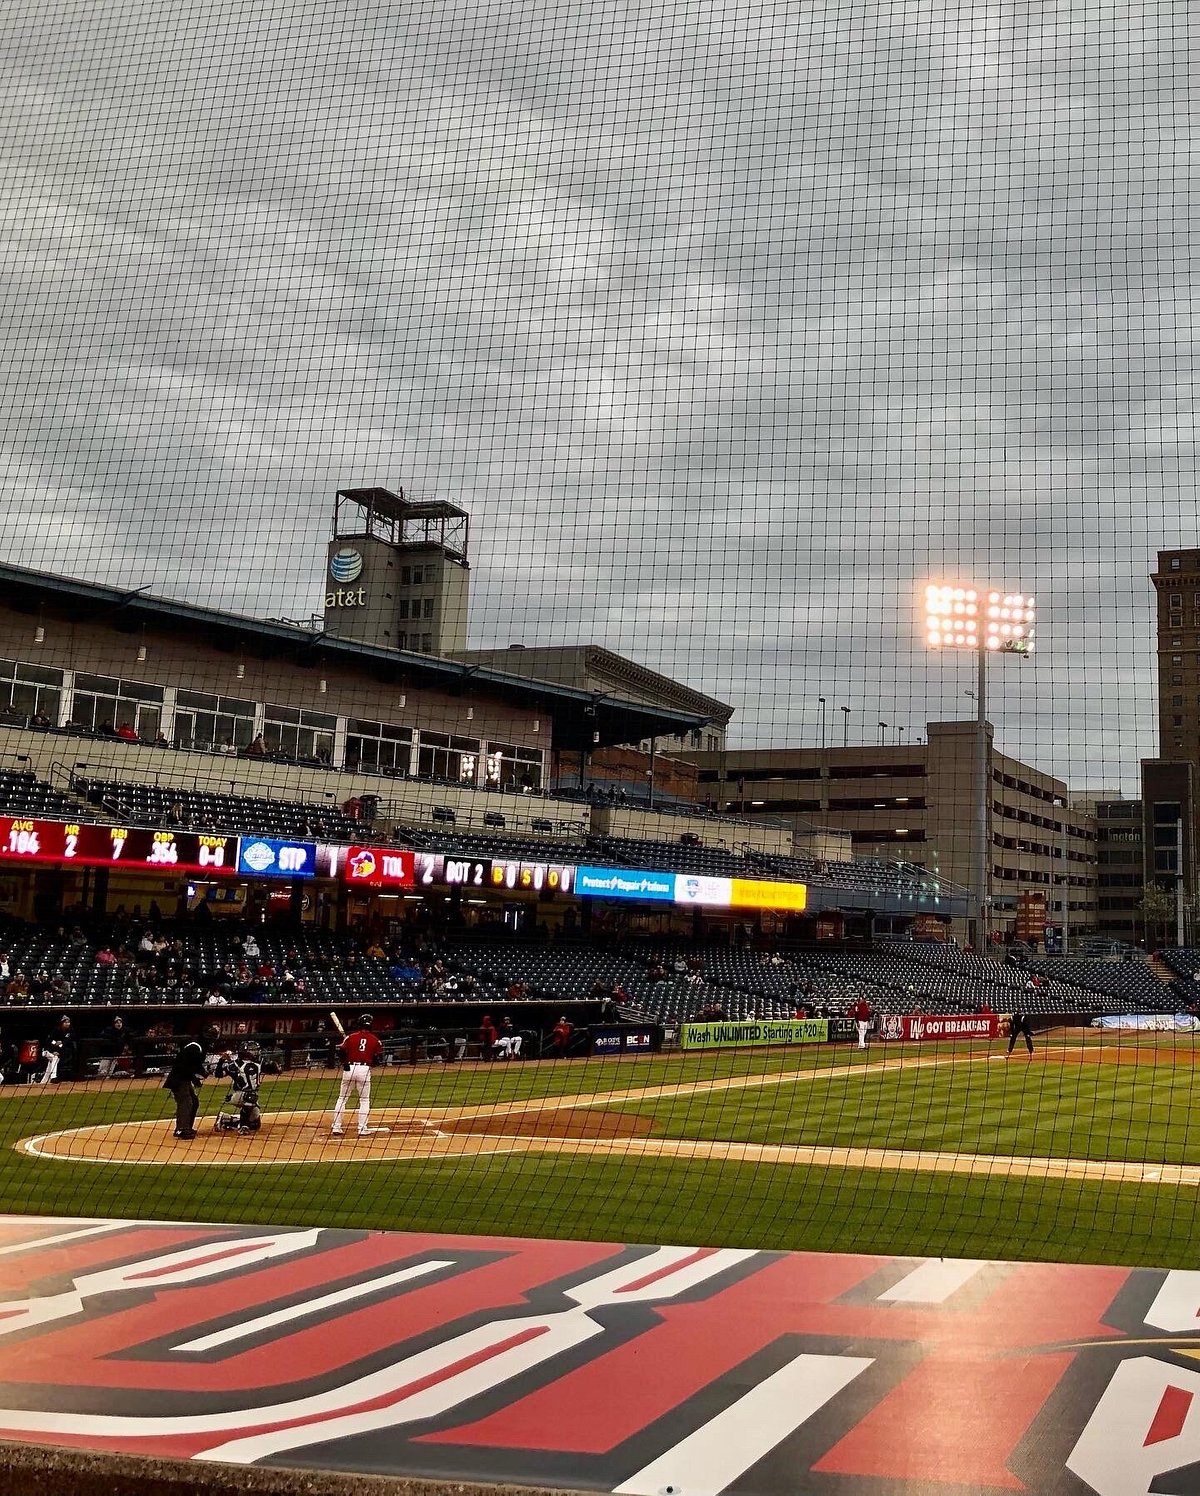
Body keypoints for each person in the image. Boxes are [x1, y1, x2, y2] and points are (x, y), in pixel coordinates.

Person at [331, 1014, 386, 1137]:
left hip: (348, 1069)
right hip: (364, 1070)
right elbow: (378, 1059)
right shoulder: (375, 1040)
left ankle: (336, 1127)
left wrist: (344, 1063)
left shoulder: (350, 1037)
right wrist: (370, 1064)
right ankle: (362, 1129)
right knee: (364, 1100)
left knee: (342, 1098)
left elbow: (340, 1052)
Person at [163, 1024, 221, 1139]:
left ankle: (187, 1127)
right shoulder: (195, 1047)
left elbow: (195, 1065)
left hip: (184, 1078)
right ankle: (181, 1129)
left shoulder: (200, 1045)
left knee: (194, 1102)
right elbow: (183, 1065)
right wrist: (195, 1078)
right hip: (178, 1079)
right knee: (186, 1102)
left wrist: (201, 1074)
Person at [214, 1041, 264, 1132]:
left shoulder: (258, 1063)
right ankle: (243, 1127)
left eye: (256, 1050)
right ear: (245, 1052)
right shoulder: (235, 1065)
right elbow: (218, 1074)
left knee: (255, 1125)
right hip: (240, 1095)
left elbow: (271, 1068)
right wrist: (221, 1060)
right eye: (252, 1050)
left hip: (251, 1096)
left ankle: (225, 1119)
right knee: (250, 1096)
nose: (256, 1052)